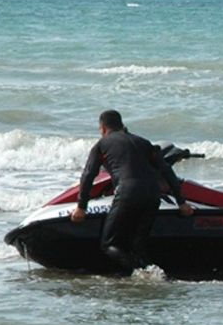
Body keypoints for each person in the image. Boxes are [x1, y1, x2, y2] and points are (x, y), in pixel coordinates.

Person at [70, 110, 194, 273]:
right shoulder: (144, 142)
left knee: (109, 244)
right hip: (153, 194)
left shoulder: (102, 145)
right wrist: (181, 202)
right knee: (137, 245)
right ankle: (152, 273)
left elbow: (88, 175)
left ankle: (146, 274)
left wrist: (81, 206)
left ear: (103, 128)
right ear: (122, 125)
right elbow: (166, 171)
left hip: (128, 193)